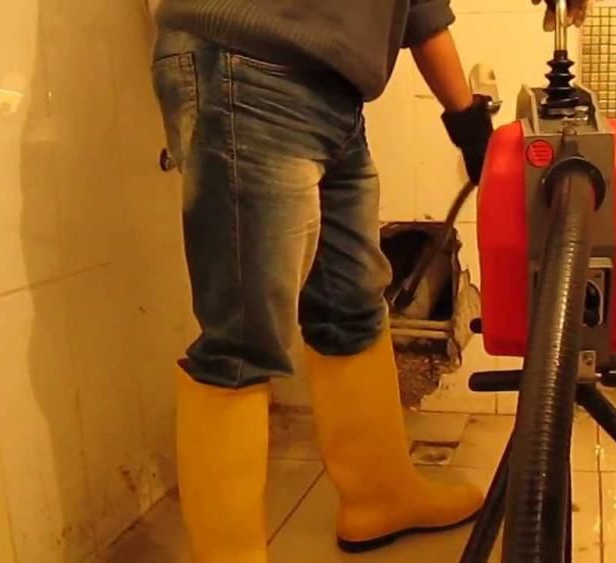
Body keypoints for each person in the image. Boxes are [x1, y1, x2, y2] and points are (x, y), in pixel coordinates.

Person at [150, 1, 586, 561]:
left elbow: (417, 7)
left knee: (351, 306)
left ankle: (379, 497)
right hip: (246, 66)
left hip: (333, 94)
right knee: (241, 342)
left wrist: (467, 122)